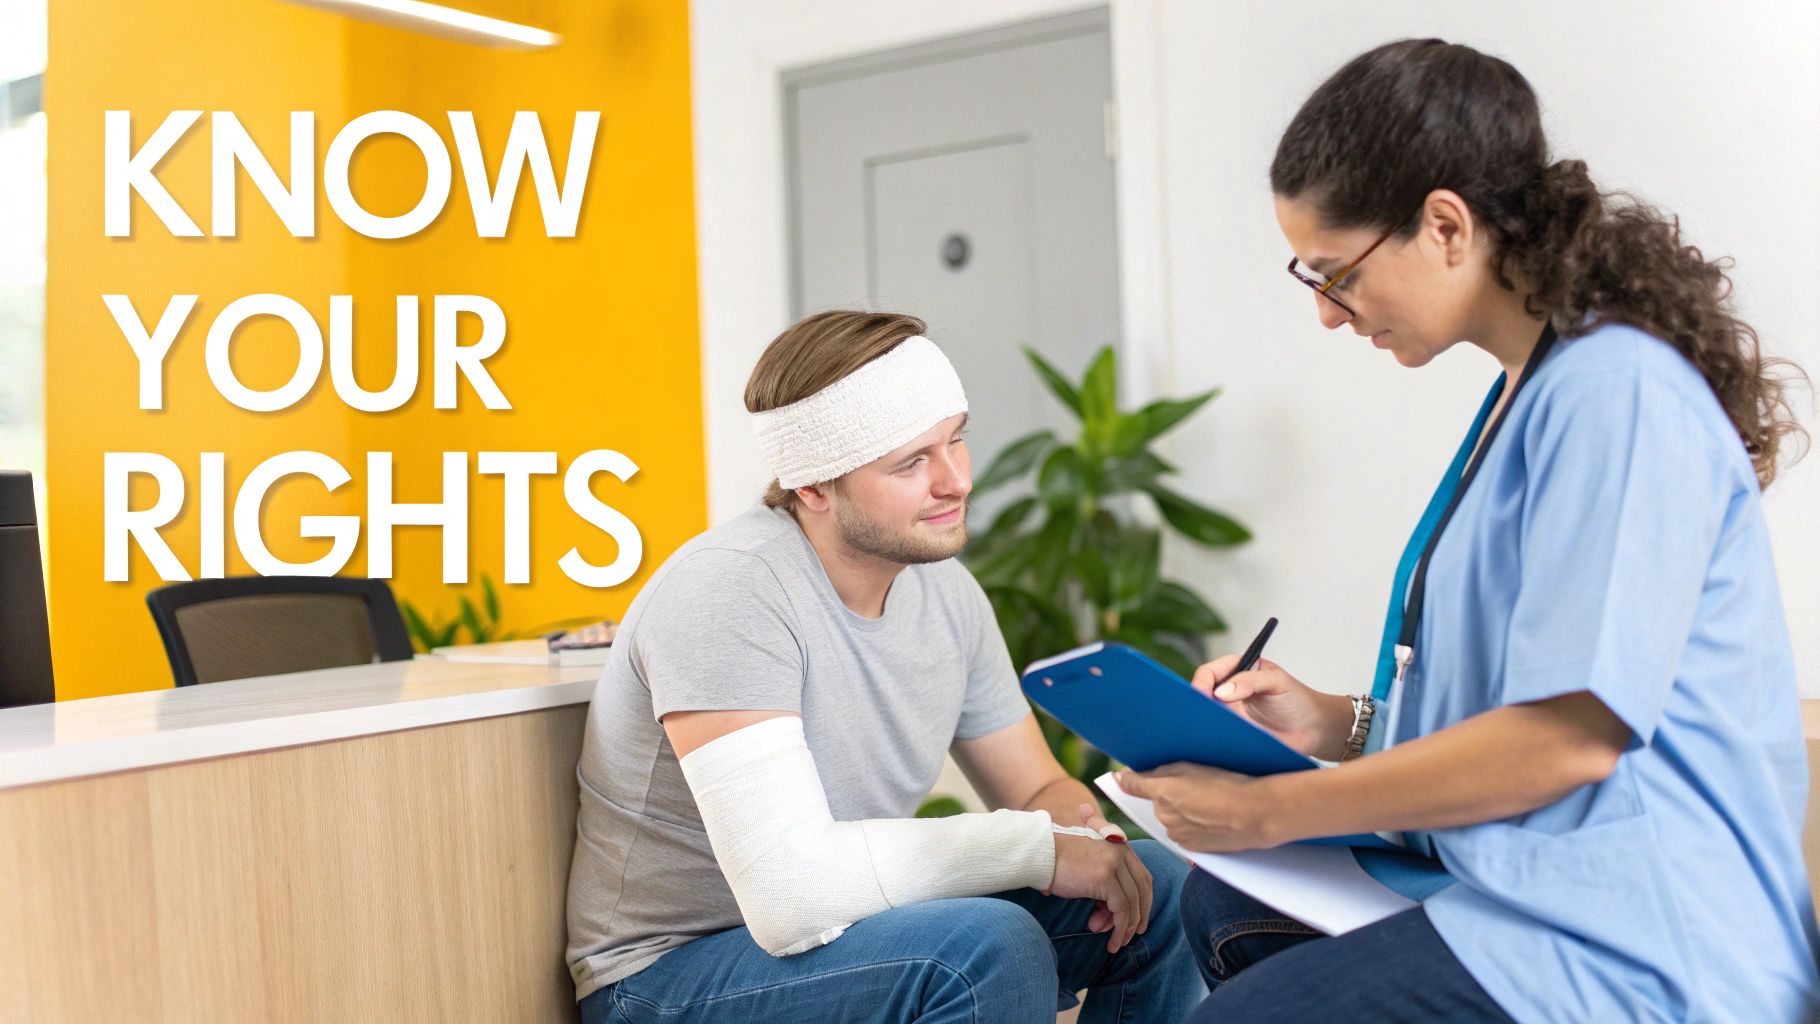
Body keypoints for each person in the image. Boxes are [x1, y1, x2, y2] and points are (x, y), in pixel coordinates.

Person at [1113, 38, 1820, 1023]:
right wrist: (1328, 723)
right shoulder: (1525, 392)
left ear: (1444, 225)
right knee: (1223, 904)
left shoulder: (1613, 392)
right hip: (1533, 887)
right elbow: (1500, 702)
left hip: (1641, 941)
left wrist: (1270, 807)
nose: (1325, 312)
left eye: (1336, 274)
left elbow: (1564, 739)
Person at [564, 310, 1204, 1023]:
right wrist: (1034, 850)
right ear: (813, 488)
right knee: (985, 945)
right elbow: (789, 896)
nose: (956, 480)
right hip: (665, 977)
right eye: (911, 462)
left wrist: (1086, 836)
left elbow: (1034, 785)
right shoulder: (730, 590)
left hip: (853, 934)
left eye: (955, 439)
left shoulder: (946, 593)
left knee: (1162, 888)